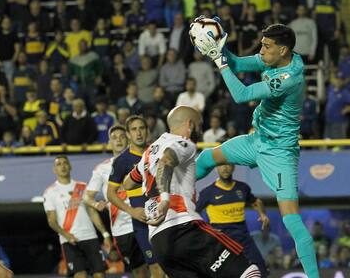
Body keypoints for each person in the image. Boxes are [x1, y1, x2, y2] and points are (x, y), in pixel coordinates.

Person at [193, 22, 320, 277]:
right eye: (262, 43)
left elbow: (242, 94)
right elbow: (239, 64)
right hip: (256, 140)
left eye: (266, 46)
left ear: (283, 50)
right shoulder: (276, 59)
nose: (261, 49)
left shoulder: (288, 78)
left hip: (280, 153)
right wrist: (221, 47)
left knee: (291, 219)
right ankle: (168, 193)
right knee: (208, 158)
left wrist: (220, 62)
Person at [122, 105, 263, 277]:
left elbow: (128, 183)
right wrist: (165, 199)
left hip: (159, 242)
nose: (201, 130)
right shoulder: (184, 143)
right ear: (189, 124)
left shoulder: (148, 152)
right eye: (199, 125)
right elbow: (165, 163)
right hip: (184, 228)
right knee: (249, 271)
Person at [83, 125, 148, 277]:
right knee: (139, 271)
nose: (118, 140)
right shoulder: (102, 168)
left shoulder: (143, 159)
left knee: (157, 266)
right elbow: (87, 196)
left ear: (128, 139)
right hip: (122, 228)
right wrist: (95, 204)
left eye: (122, 136)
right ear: (109, 143)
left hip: (145, 220)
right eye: (114, 138)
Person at [107, 116, 165, 278]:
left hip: (165, 217)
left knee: (171, 266)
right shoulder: (121, 161)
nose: (138, 133)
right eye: (134, 129)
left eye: (142, 128)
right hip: (142, 223)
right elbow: (110, 194)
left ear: (147, 130)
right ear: (128, 133)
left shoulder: (157, 151)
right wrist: (131, 211)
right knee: (156, 269)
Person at [196, 164, 270, 275]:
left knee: (261, 270)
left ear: (233, 167)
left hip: (243, 237)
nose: (225, 168)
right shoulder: (208, 192)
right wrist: (205, 230)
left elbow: (256, 202)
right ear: (216, 169)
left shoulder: (242, 188)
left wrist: (263, 214)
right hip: (221, 240)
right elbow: (195, 212)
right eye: (221, 165)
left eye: (228, 165)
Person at [43, 156, 109, 278]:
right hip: (70, 240)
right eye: (59, 164)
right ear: (54, 170)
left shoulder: (82, 187)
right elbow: (51, 221)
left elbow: (92, 212)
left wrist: (105, 233)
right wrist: (66, 234)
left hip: (90, 236)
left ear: (70, 166)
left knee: (100, 274)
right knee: (80, 275)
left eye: (65, 163)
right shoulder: (50, 192)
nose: (62, 166)